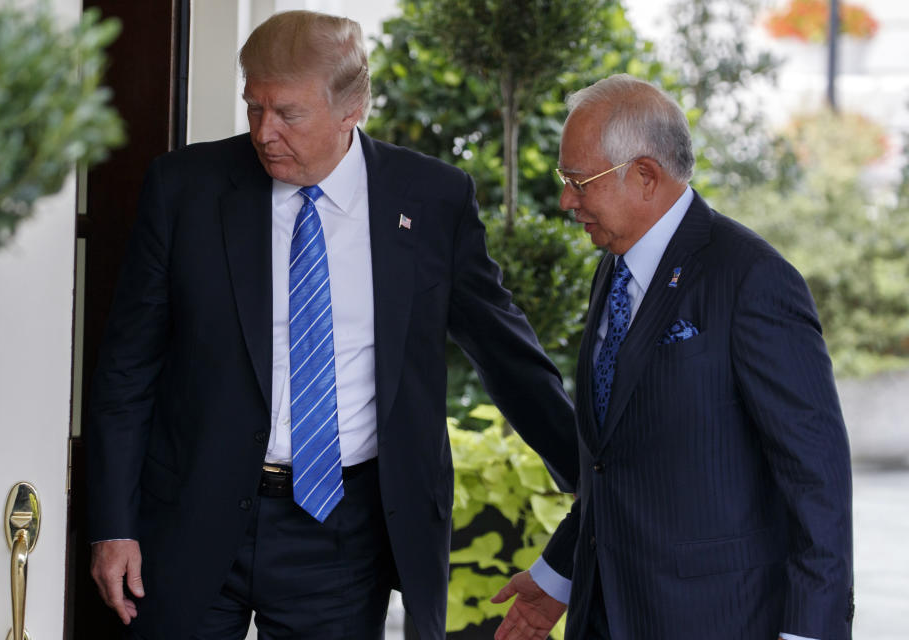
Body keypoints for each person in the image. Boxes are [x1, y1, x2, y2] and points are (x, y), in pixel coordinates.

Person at [86, 10, 578, 640]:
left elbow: (505, 355)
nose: (265, 132)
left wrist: (594, 478)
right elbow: (127, 369)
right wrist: (112, 524)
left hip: (343, 531)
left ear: (354, 107)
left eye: (288, 113)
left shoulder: (431, 200)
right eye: (253, 107)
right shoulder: (184, 188)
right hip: (192, 514)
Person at [491, 74, 854, 640]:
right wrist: (559, 575)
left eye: (579, 181)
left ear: (644, 176)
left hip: (716, 619)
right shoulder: (613, 265)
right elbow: (614, 463)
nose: (567, 201)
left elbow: (817, 481)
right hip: (603, 612)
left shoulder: (754, 280)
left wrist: (810, 632)